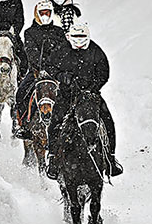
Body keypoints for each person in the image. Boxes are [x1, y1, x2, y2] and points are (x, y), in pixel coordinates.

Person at [45, 21, 123, 177]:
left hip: (90, 96)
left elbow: (104, 73)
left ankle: (110, 159)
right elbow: (49, 65)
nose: (79, 40)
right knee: (55, 122)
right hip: (67, 95)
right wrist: (61, 76)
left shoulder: (96, 51)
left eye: (82, 36)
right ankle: (53, 158)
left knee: (107, 121)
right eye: (76, 36)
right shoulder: (61, 50)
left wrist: (92, 87)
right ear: (70, 37)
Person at [13, 0, 70, 139]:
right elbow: (31, 52)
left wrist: (57, 67)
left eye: (48, 12)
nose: (45, 15)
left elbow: (64, 51)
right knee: (21, 93)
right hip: (36, 72)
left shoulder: (59, 32)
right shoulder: (29, 32)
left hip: (57, 72)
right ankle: (23, 125)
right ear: (37, 14)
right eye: (42, 13)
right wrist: (41, 67)